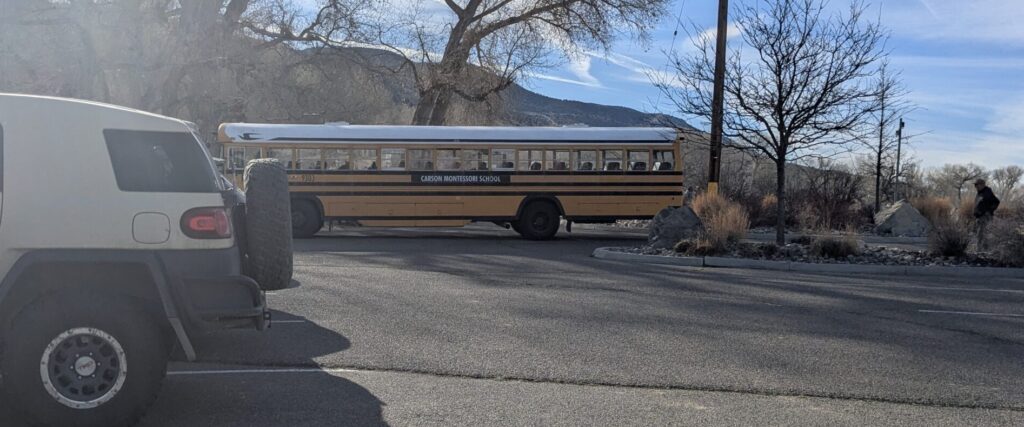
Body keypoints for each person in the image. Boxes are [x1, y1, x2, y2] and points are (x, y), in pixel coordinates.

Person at [973, 178, 1000, 251]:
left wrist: (989, 211)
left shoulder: (987, 192)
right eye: (975, 185)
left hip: (985, 217)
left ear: (982, 185)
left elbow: (996, 201)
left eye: (977, 184)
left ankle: (983, 251)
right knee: (979, 234)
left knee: (984, 234)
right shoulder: (980, 192)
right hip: (979, 217)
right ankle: (980, 250)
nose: (976, 186)